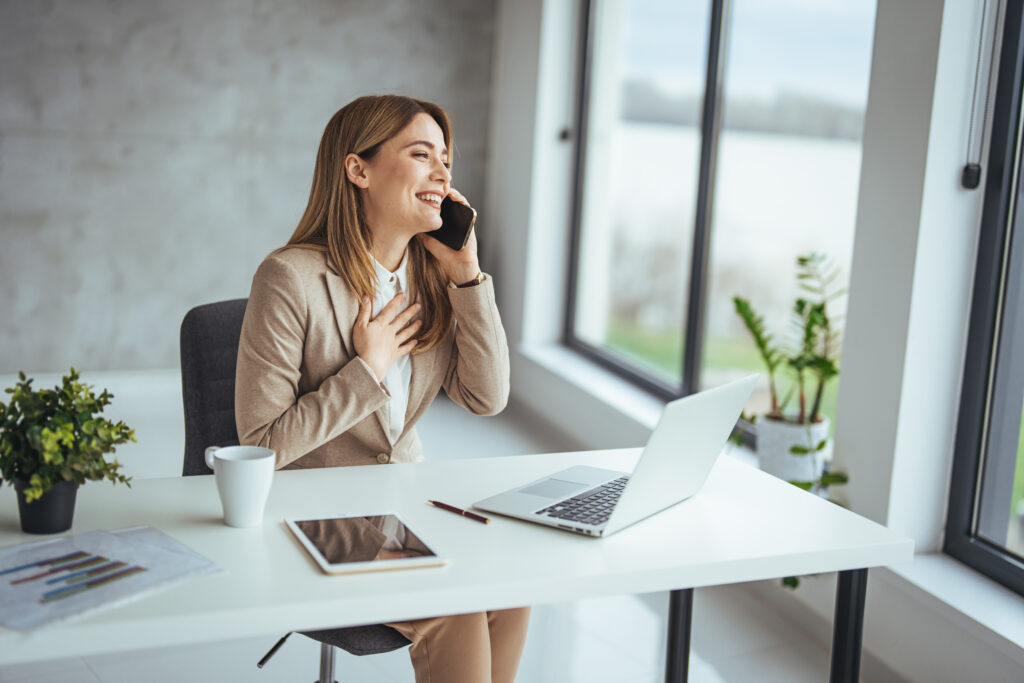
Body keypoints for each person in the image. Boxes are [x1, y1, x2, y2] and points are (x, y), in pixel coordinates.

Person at [234, 94, 530, 682]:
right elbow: (259, 446)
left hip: (402, 502)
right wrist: (366, 372)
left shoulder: (434, 277)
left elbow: (487, 396)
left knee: (514, 584)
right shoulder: (289, 277)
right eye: (421, 155)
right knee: (456, 608)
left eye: (445, 159)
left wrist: (467, 277)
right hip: (311, 509)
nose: (442, 172)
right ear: (358, 169)